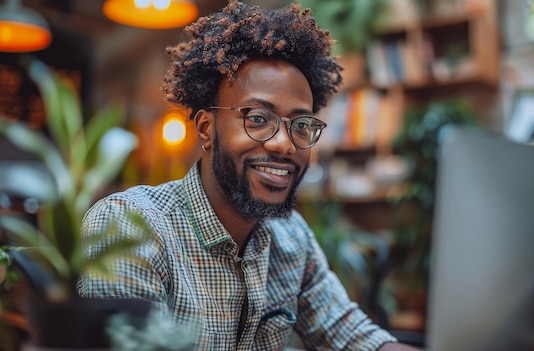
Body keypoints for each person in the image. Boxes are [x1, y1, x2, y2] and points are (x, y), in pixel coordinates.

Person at [78, 1, 421, 350]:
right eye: (257, 118)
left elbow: (349, 333)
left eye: (300, 125)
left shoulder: (291, 239)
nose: (284, 144)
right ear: (207, 128)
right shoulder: (131, 226)